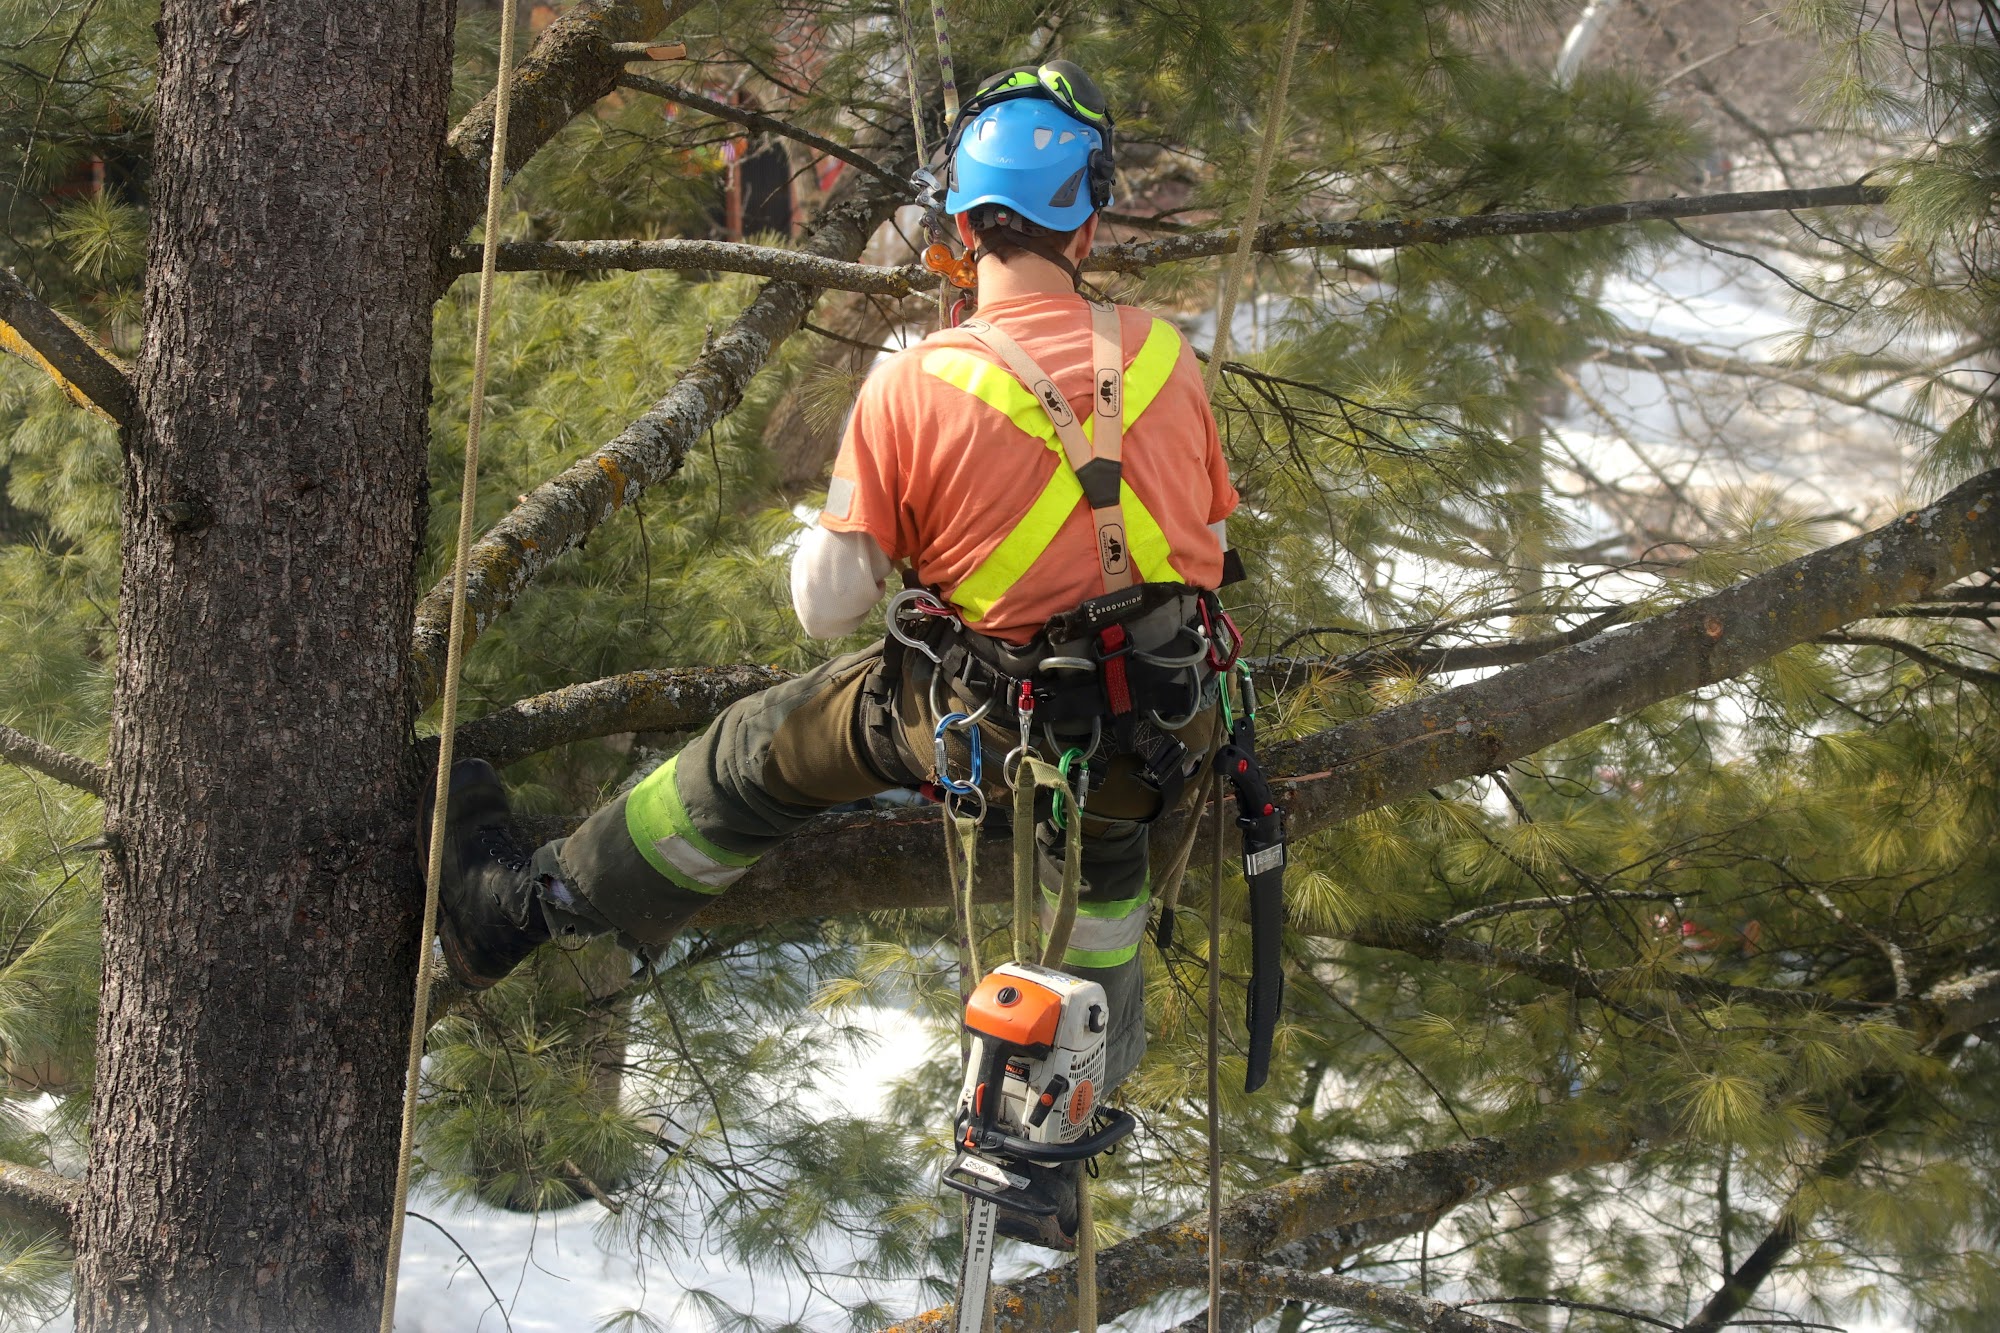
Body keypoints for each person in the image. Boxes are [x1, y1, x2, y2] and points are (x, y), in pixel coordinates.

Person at [430, 60, 1240, 1246]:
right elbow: (1204, 541)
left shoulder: (918, 379)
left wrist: (846, 519)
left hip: (993, 722)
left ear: (961, 225)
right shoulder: (1165, 355)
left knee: (759, 752)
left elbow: (826, 605)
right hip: (1160, 722)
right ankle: (1067, 1102)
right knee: (1107, 870)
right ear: (1088, 214)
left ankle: (528, 902)